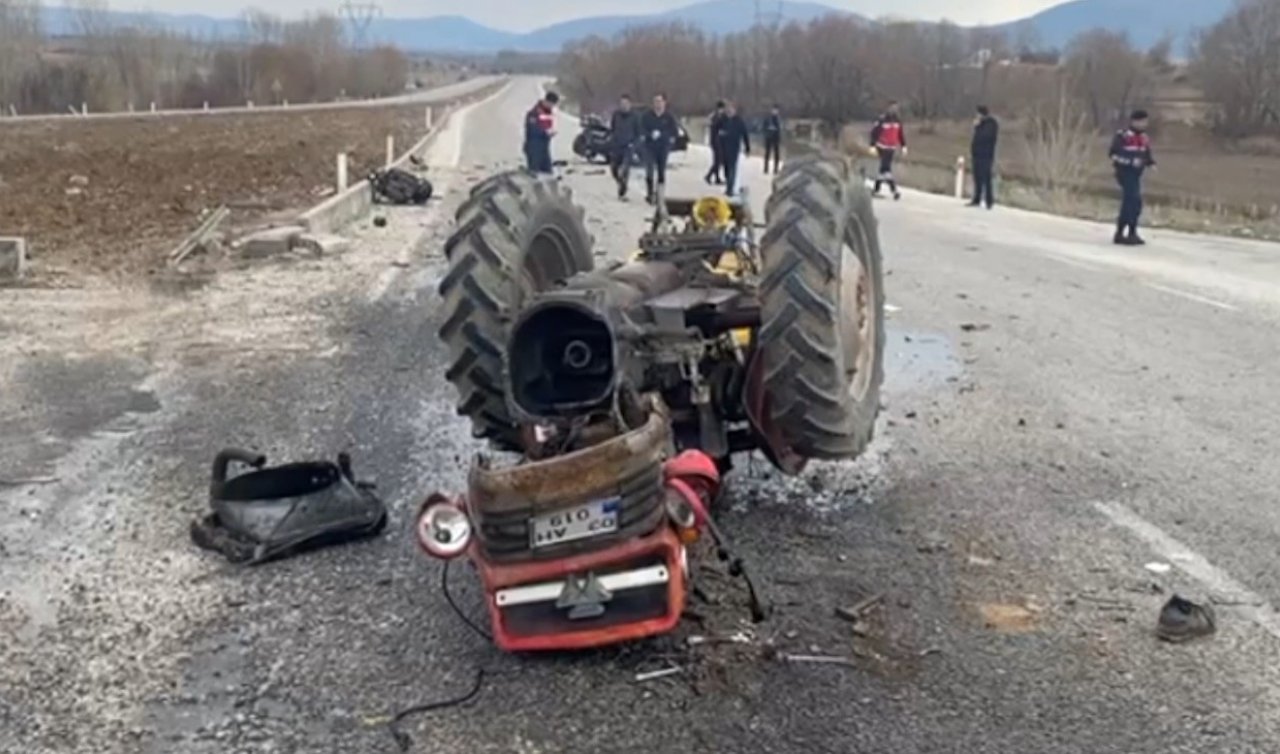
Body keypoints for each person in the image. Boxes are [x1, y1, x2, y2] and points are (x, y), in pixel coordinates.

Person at [1109, 109, 1156, 245]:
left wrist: (1150, 163)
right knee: (1133, 201)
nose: (1144, 124)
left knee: (1131, 203)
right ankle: (1129, 232)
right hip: (1125, 173)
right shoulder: (1123, 136)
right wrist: (1129, 162)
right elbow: (1113, 154)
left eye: (1145, 122)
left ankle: (1124, 232)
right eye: (1142, 121)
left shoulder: (1143, 138)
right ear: (1134, 121)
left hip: (1136, 174)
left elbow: (1145, 154)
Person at [641, 93, 681, 205]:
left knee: (661, 171)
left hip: (663, 147)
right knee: (649, 170)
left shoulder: (669, 117)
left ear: (664, 103)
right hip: (649, 147)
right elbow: (642, 129)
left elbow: (674, 132)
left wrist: (663, 135)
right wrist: (649, 134)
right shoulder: (647, 116)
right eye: (655, 102)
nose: (657, 104)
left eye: (660, 101)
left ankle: (660, 194)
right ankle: (649, 194)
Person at [870, 101, 907, 200]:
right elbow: (874, 132)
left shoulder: (897, 121)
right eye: (892, 108)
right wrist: (872, 145)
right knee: (886, 169)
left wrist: (903, 146)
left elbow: (900, 134)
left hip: (891, 147)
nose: (894, 110)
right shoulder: (882, 120)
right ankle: (894, 190)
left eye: (896, 108)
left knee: (883, 170)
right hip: (882, 146)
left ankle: (876, 189)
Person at [609, 93, 642, 200]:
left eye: (626, 104)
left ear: (630, 104)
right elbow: (613, 128)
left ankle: (622, 192)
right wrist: (613, 139)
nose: (623, 106)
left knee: (624, 168)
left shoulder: (635, 116)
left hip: (629, 146)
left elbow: (639, 133)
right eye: (621, 103)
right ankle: (620, 182)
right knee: (614, 168)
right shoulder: (616, 115)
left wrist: (634, 144)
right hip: (617, 145)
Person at [716, 101, 751, 197]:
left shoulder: (739, 121)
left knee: (732, 168)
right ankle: (728, 185)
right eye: (729, 110)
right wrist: (719, 136)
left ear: (735, 111)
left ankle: (730, 189)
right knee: (726, 168)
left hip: (734, 148)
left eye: (732, 110)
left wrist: (747, 148)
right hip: (723, 147)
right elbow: (715, 130)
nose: (730, 111)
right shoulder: (722, 120)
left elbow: (745, 135)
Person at [969, 105, 999, 209]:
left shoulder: (991, 124)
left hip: (986, 155)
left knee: (986, 178)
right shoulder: (980, 125)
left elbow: (986, 137)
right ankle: (976, 199)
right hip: (977, 155)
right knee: (977, 177)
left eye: (978, 114)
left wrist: (979, 126)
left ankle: (989, 201)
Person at [523, 90, 559, 174]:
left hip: (544, 147)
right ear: (547, 101)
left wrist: (550, 132)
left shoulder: (548, 112)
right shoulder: (534, 113)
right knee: (534, 174)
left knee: (548, 174)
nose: (552, 107)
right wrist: (545, 133)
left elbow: (547, 126)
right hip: (534, 148)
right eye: (552, 104)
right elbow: (532, 130)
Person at [704, 101, 727, 185]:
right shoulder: (715, 116)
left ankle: (716, 177)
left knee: (718, 160)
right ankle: (709, 175)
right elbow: (714, 127)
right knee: (718, 160)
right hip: (715, 141)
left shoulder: (720, 116)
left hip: (719, 141)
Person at [762, 104, 783, 175]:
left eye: (776, 110)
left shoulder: (778, 119)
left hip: (776, 138)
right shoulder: (768, 118)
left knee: (776, 154)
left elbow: (780, 129)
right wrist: (768, 130)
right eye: (774, 110)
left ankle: (776, 169)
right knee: (767, 153)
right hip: (769, 137)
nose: (775, 111)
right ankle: (765, 168)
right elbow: (764, 127)